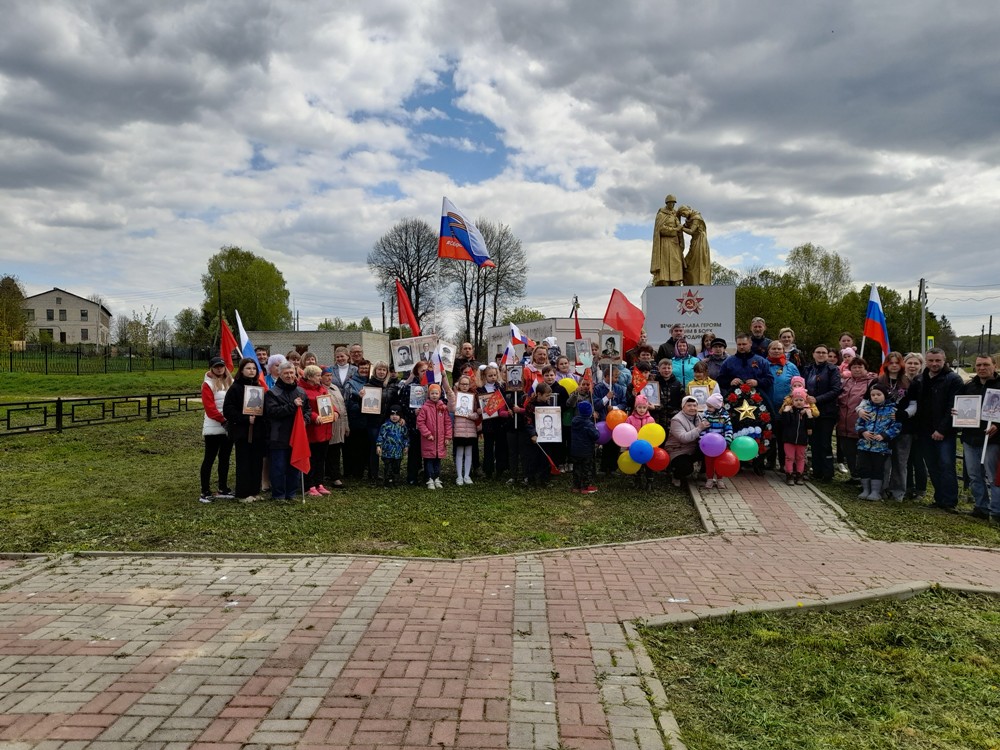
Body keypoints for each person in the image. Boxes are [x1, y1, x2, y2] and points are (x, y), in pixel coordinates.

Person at [906, 347, 963, 511]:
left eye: (938, 360)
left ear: (944, 360)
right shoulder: (920, 379)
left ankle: (949, 501)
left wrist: (942, 430)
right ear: (926, 360)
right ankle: (939, 499)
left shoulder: (953, 379)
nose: (934, 363)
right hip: (924, 431)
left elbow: (953, 407)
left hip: (944, 432)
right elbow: (913, 403)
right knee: (932, 466)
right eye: (931, 360)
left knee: (946, 466)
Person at [956, 354, 1000, 520]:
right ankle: (980, 507)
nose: (982, 368)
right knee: (974, 475)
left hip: (992, 439)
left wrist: (998, 426)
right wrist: (957, 412)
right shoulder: (969, 386)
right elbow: (961, 406)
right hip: (971, 438)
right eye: (979, 365)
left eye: (986, 364)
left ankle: (996, 510)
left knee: (992, 476)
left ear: (994, 366)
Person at [264, 361, 311, 501]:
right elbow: (272, 412)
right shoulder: (272, 393)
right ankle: (278, 494)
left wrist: (306, 419)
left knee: (294, 466)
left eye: (292, 373)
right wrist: (292, 406)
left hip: (296, 436)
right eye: (286, 373)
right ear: (280, 374)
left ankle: (291, 493)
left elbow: (307, 409)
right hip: (278, 435)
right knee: (278, 466)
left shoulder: (301, 392)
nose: (289, 376)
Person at [223, 357, 268, 503]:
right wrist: (245, 418)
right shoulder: (235, 388)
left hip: (257, 431)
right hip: (242, 432)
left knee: (256, 461)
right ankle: (243, 493)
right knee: (244, 462)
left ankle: (254, 491)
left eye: (254, 369)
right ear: (242, 370)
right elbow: (228, 409)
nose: (252, 371)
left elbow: (263, 409)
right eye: (248, 368)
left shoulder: (259, 388)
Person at [875, 352, 913, 501]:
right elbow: (867, 400)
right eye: (891, 363)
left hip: (904, 428)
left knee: (900, 461)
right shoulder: (879, 381)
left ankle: (897, 492)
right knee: (883, 460)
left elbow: (914, 404)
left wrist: (904, 414)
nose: (894, 365)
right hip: (881, 428)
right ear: (886, 364)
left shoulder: (908, 382)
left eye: (897, 363)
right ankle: (881, 489)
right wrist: (860, 410)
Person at [855, 383, 900, 501]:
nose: (875, 397)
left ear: (885, 395)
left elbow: (896, 426)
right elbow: (858, 424)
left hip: (881, 446)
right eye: (873, 395)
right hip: (864, 445)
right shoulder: (866, 409)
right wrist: (863, 432)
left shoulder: (892, 410)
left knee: (878, 468)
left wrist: (884, 436)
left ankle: (875, 491)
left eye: (878, 394)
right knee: (864, 467)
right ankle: (865, 490)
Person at [804, 344, 843, 482]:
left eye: (824, 353)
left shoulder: (833, 370)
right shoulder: (808, 369)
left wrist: (817, 399)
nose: (821, 355)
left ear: (827, 355)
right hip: (810, 411)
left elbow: (835, 390)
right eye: (818, 352)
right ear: (813, 354)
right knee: (813, 442)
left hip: (827, 412)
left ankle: (828, 473)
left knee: (825, 443)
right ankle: (817, 471)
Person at [199, 356, 233, 503]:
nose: (219, 368)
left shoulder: (230, 383)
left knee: (225, 459)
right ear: (211, 368)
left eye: (221, 366)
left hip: (228, 426)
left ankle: (223, 487)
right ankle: (205, 491)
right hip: (214, 427)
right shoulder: (207, 384)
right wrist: (223, 420)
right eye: (216, 366)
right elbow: (210, 408)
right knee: (209, 458)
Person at [836, 358, 876, 481]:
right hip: (844, 423)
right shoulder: (846, 381)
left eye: (860, 367)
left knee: (862, 454)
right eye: (854, 367)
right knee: (849, 452)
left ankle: (864, 478)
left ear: (865, 368)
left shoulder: (872, 382)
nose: (857, 369)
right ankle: (854, 476)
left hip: (862, 424)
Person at [299, 364, 334, 497]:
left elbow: (329, 404)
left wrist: (335, 412)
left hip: (325, 430)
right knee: (311, 459)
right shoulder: (302, 390)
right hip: (312, 431)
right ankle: (310, 485)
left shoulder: (322, 389)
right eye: (318, 375)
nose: (320, 378)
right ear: (309, 377)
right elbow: (304, 409)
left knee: (321, 458)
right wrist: (315, 417)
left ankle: (319, 483)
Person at [765, 340, 800, 471]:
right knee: (769, 435)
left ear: (783, 351)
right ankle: (770, 461)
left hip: (785, 408)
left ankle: (784, 463)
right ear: (768, 351)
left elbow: (798, 385)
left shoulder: (791, 366)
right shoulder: (764, 364)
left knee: (783, 436)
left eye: (779, 349)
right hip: (767, 407)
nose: (776, 351)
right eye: (773, 349)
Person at [665, 396, 709, 486]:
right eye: (689, 405)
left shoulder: (701, 416)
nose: (692, 408)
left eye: (694, 405)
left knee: (709, 449)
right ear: (683, 407)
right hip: (678, 450)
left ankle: (703, 473)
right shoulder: (676, 419)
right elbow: (683, 438)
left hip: (694, 448)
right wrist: (699, 428)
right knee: (686, 468)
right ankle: (675, 475)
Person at [397, 360, 428, 485]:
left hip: (429, 425)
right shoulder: (410, 387)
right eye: (422, 371)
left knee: (428, 451)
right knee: (414, 450)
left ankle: (428, 475)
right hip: (414, 423)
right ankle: (412, 476)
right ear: (417, 373)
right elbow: (403, 404)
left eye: (427, 370)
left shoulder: (433, 385)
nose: (425, 373)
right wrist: (412, 411)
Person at [478, 363, 510, 479]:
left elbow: (505, 402)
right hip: (488, 422)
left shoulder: (501, 387)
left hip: (500, 421)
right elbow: (478, 404)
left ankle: (500, 469)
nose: (493, 377)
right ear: (484, 376)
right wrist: (479, 409)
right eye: (490, 375)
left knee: (500, 446)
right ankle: (488, 470)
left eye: (494, 375)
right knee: (488, 447)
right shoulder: (480, 389)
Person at [902, 353, 928, 499]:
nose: (912, 366)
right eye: (909, 363)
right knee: (906, 459)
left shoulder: (924, 380)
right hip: (904, 425)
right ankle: (908, 486)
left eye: (916, 363)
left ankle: (920, 489)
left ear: (921, 365)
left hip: (920, 426)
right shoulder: (901, 381)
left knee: (918, 459)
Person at [417, 383, 451, 489]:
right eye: (432, 393)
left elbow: (448, 423)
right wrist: (427, 434)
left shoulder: (443, 408)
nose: (434, 395)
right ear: (429, 394)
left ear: (440, 394)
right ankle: (429, 479)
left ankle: (436, 477)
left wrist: (447, 437)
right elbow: (420, 422)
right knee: (428, 460)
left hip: (440, 441)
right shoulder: (425, 408)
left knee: (437, 460)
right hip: (429, 440)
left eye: (436, 393)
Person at [718, 333, 773, 398]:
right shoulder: (728, 362)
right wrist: (730, 382)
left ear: (750, 344)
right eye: (739, 344)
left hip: (757, 399)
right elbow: (720, 379)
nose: (741, 347)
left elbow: (770, 380)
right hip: (734, 399)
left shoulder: (761, 361)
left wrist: (757, 382)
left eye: (744, 344)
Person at [450, 374, 481, 485]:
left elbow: (477, 414)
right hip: (459, 429)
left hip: (470, 429)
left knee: (468, 453)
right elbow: (452, 408)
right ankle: (459, 476)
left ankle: (467, 476)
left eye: (466, 384)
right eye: (462, 384)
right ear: (459, 384)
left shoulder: (473, 397)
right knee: (459, 453)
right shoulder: (455, 396)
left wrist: (471, 415)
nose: (464, 386)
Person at [321, 366, 348, 490]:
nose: (329, 378)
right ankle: (331, 476)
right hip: (327, 424)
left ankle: (334, 475)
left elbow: (342, 407)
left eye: (330, 376)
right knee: (329, 451)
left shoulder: (335, 388)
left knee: (336, 451)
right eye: (326, 376)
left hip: (340, 424)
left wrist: (346, 425)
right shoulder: (321, 390)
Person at [779, 388, 813, 486]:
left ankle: (799, 475)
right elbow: (785, 423)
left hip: (802, 440)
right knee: (789, 457)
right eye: (796, 400)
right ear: (792, 401)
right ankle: (789, 475)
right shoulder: (789, 411)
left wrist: (810, 416)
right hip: (789, 439)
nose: (798, 402)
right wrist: (786, 412)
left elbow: (810, 428)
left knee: (800, 457)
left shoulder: (806, 412)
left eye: (801, 400)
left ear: (805, 401)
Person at [650, 194, 685, 286]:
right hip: (665, 242)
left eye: (673, 203)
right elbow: (660, 229)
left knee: (676, 262)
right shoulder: (661, 214)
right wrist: (674, 230)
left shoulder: (675, 214)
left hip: (675, 243)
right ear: (667, 203)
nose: (672, 205)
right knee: (665, 263)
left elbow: (680, 228)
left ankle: (676, 280)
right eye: (670, 203)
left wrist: (681, 239)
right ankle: (665, 281)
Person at [702, 393, 733, 489]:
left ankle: (720, 479)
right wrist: (702, 439)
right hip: (709, 445)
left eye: (710, 407)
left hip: (721, 444)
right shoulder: (706, 415)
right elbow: (703, 428)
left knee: (720, 462)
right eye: (708, 406)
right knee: (709, 462)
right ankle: (710, 479)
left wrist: (727, 439)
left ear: (717, 407)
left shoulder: (725, 416)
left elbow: (729, 429)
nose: (708, 408)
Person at [677, 205, 711, 286]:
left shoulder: (696, 217)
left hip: (700, 241)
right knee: (688, 263)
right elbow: (683, 226)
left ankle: (699, 282)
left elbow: (691, 231)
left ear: (688, 209)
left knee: (696, 261)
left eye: (683, 212)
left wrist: (681, 228)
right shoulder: (689, 219)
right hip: (694, 241)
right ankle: (691, 282)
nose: (683, 215)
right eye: (681, 214)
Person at [571, 400, 600, 494]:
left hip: (575, 450)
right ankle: (585, 487)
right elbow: (596, 435)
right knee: (586, 469)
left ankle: (576, 486)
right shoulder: (589, 424)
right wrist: (596, 430)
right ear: (590, 412)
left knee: (576, 468)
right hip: (586, 451)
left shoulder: (574, 421)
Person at [376, 405, 409, 487]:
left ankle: (396, 480)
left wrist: (406, 446)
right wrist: (378, 446)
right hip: (388, 451)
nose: (394, 417)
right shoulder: (385, 426)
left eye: (397, 415)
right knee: (388, 467)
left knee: (396, 466)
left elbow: (406, 437)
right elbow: (381, 436)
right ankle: (388, 481)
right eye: (392, 415)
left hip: (398, 452)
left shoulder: (402, 426)